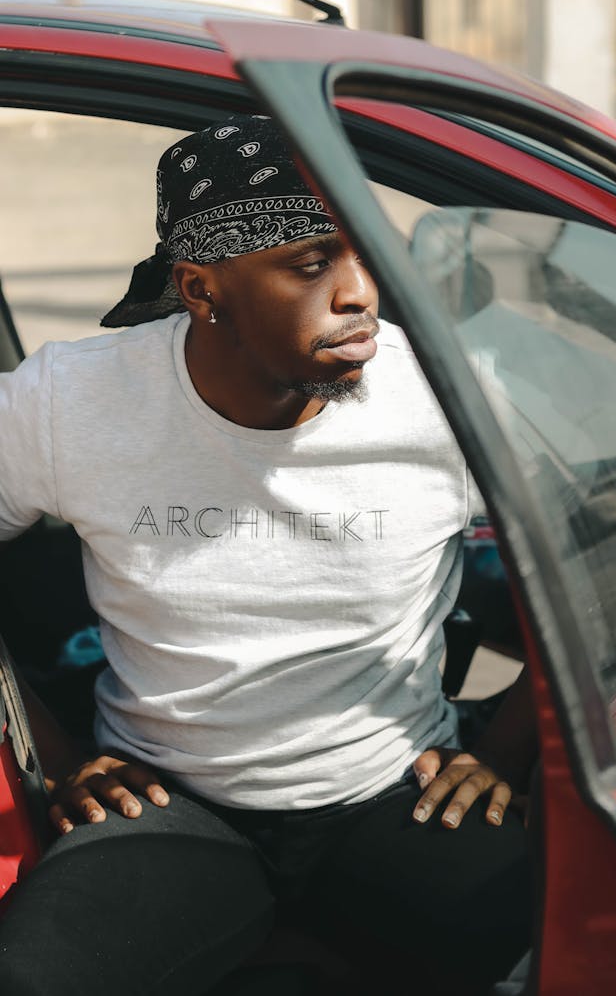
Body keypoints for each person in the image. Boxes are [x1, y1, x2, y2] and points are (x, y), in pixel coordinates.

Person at [0, 115, 536, 996]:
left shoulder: (446, 392)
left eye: (366, 255)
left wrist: (510, 747)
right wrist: (51, 756)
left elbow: (603, 563)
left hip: (395, 790)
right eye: (310, 262)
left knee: (575, 948)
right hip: (172, 805)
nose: (361, 292)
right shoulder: (72, 401)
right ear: (202, 289)